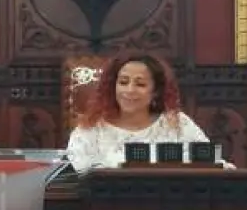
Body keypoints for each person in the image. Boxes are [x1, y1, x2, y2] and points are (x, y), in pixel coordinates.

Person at [66, 52, 233, 171]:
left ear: (156, 92)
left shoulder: (177, 124)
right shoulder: (91, 128)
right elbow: (75, 175)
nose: (129, 90)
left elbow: (215, 165)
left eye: (140, 84)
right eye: (123, 82)